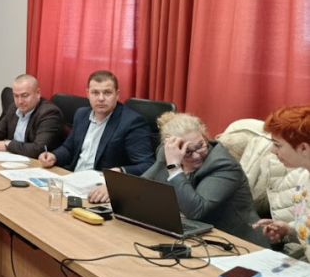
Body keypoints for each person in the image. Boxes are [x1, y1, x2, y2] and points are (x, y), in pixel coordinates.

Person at [95, 112, 268, 245]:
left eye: (200, 146)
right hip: (197, 237)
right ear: (170, 147)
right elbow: (143, 185)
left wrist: (174, 168)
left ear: (205, 137)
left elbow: (196, 210)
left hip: (238, 243)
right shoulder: (167, 153)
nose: (196, 155)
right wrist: (116, 189)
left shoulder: (223, 166)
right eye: (187, 151)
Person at [38, 70, 154, 176]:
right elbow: (69, 148)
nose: (101, 98)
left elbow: (147, 165)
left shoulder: (132, 122)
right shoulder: (81, 114)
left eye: (107, 93)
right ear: (87, 94)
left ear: (117, 95)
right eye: (95, 93)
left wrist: (120, 171)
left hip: (101, 184)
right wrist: (54, 156)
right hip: (73, 177)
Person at [0, 74, 64, 158]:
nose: (20, 101)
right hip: (15, 160)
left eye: (24, 95)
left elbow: (38, 149)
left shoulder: (49, 113)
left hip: (40, 166)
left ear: (38, 93)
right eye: (16, 96)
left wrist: (8, 145)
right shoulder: (14, 108)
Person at [254, 105, 310, 252]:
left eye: (278, 145)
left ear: (304, 148)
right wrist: (288, 229)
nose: (273, 151)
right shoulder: (304, 177)